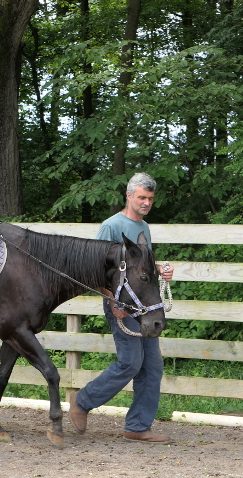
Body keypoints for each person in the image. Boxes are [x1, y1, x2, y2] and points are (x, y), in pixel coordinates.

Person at [69, 172, 175, 444]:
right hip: (120, 306)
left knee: (152, 367)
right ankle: (82, 402)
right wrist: (113, 302)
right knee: (130, 362)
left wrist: (161, 270)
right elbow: (94, 270)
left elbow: (142, 268)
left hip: (144, 307)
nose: (146, 202)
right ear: (128, 196)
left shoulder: (145, 228)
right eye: (141, 197)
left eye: (150, 198)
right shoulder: (111, 227)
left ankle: (138, 427)